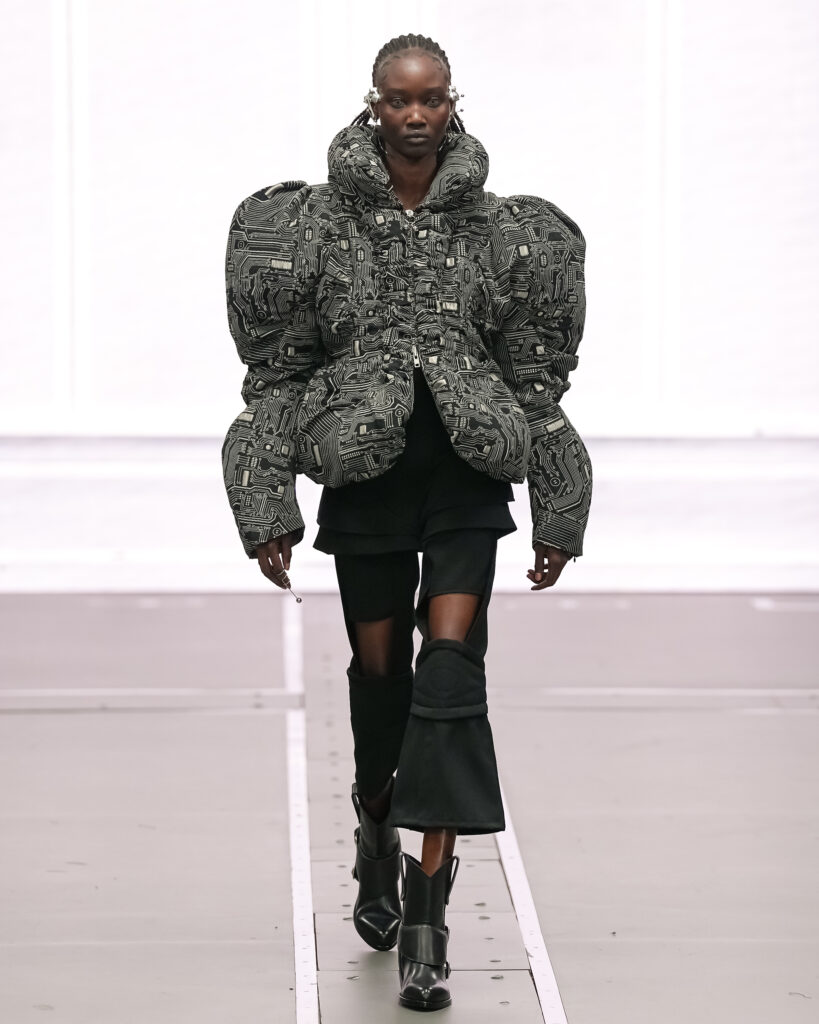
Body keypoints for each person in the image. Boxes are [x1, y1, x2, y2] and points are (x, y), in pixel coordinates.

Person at [221, 32, 592, 1013]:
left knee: (450, 676)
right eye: (399, 99)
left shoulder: (506, 230)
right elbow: (278, 375)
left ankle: (430, 916)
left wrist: (558, 503)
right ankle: (376, 826)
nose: (416, 115)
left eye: (432, 99)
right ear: (374, 103)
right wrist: (266, 499)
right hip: (366, 477)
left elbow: (535, 382)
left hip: (467, 475)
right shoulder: (308, 225)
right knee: (381, 682)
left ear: (452, 102)